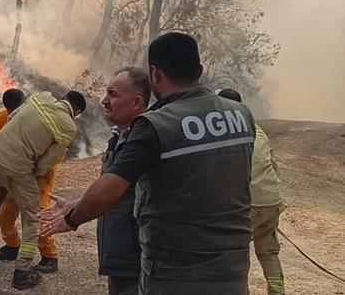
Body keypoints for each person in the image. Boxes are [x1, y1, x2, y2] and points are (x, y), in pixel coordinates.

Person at [40, 32, 256, 295]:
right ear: (199, 70)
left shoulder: (156, 125)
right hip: (233, 268)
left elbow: (109, 189)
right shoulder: (241, 115)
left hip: (175, 272)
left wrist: (73, 218)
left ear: (155, 74)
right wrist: (77, 203)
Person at [0, 90, 87, 290]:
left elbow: (12, 117)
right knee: (32, 217)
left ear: (63, 98)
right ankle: (21, 273)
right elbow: (47, 162)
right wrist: (29, 170)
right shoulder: (68, 127)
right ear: (77, 111)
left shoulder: (41, 97)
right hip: (19, 169)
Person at [218, 88, 286, 295]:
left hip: (245, 204)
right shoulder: (259, 130)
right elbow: (273, 166)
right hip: (270, 201)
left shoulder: (224, 133)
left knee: (235, 254)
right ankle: (277, 291)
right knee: (268, 252)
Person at [0, 88, 61, 274]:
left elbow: (58, 150)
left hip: (41, 175)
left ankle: (49, 256)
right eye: (10, 112)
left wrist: (37, 168)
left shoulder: (43, 119)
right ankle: (12, 245)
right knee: (5, 215)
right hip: (15, 172)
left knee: (36, 215)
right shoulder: (0, 118)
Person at [97, 67, 151, 294]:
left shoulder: (145, 144)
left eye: (112, 94)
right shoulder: (118, 139)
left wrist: (73, 217)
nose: (104, 100)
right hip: (119, 254)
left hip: (134, 258)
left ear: (137, 102)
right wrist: (76, 204)